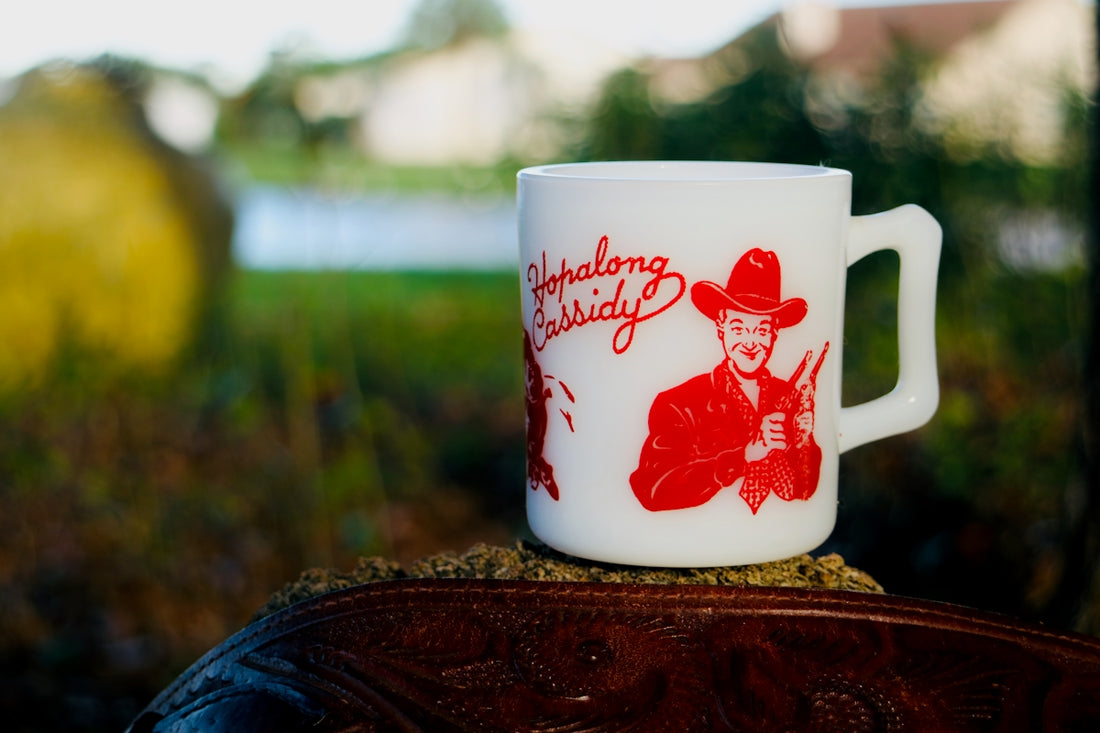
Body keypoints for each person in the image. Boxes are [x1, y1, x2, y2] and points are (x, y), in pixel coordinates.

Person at [630, 248, 825, 515]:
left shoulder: (789, 397)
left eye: (762, 330)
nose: (750, 343)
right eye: (739, 328)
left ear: (775, 334)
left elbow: (805, 490)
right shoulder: (679, 403)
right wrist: (743, 458)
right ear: (720, 327)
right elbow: (654, 490)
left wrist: (803, 443)